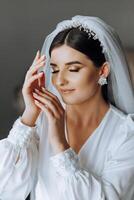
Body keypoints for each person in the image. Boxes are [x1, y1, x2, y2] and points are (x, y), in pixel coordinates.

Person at [0, 15, 134, 200]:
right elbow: (5, 188)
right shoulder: (39, 121)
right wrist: (29, 117)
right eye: (54, 69)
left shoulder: (127, 133)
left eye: (73, 69)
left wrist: (60, 144)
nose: (60, 81)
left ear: (103, 70)